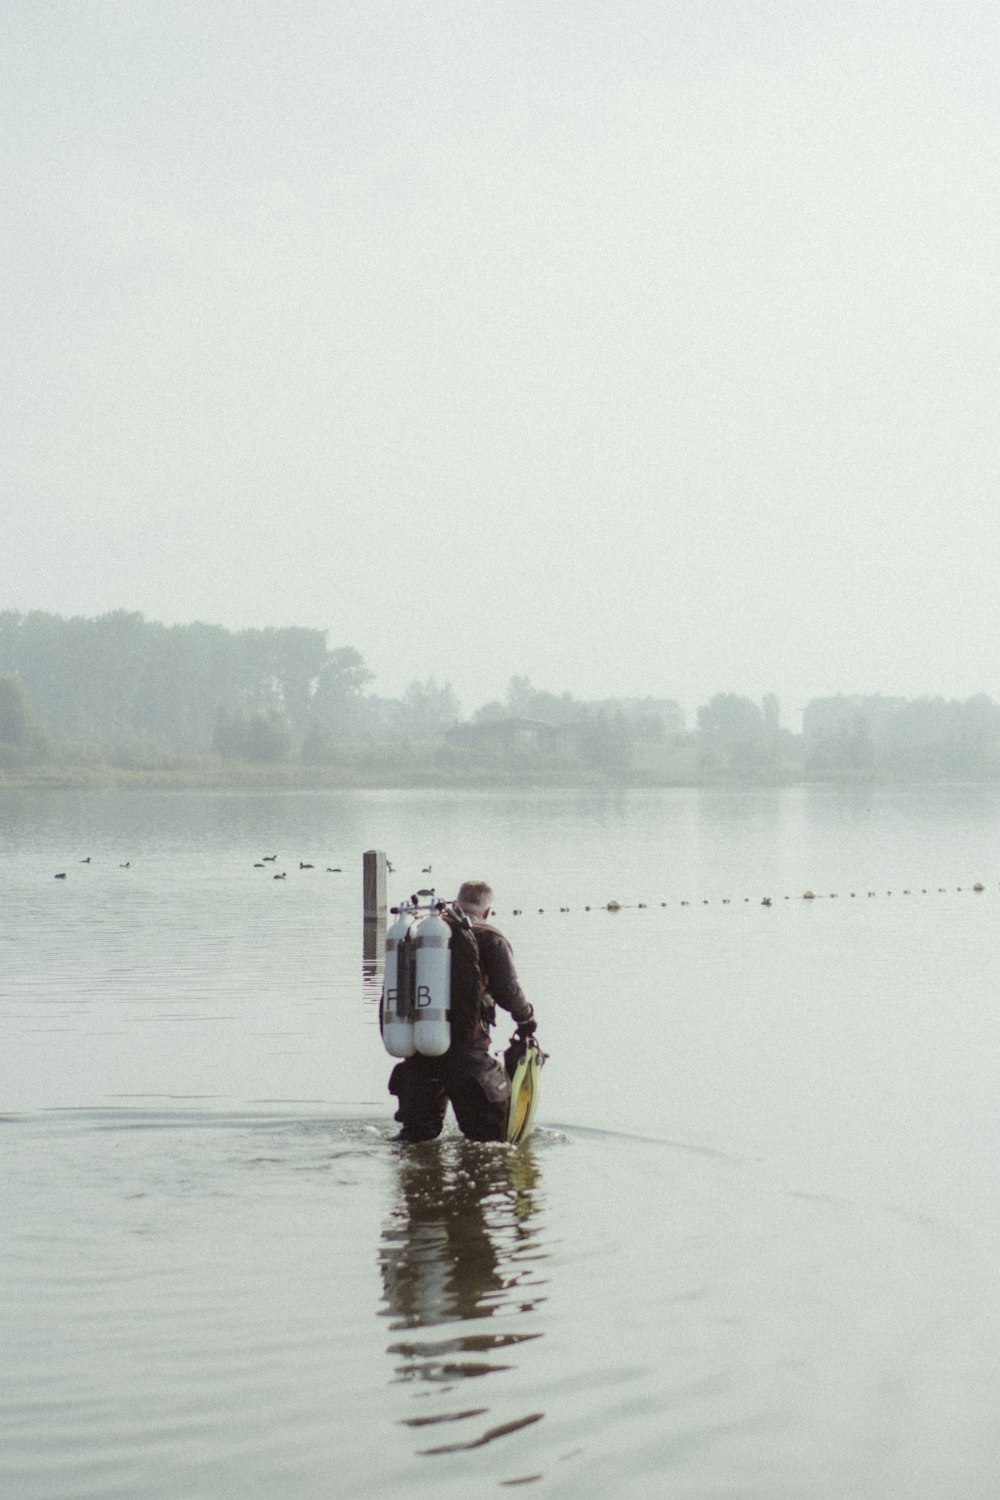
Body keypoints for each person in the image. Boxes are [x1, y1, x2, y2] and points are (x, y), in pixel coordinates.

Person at [388, 879, 537, 1143]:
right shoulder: (489, 937)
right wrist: (526, 1019)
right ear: (488, 911)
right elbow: (508, 990)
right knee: (488, 1140)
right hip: (466, 1052)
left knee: (415, 1140)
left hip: (417, 1049)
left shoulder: (423, 932)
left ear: (457, 901)